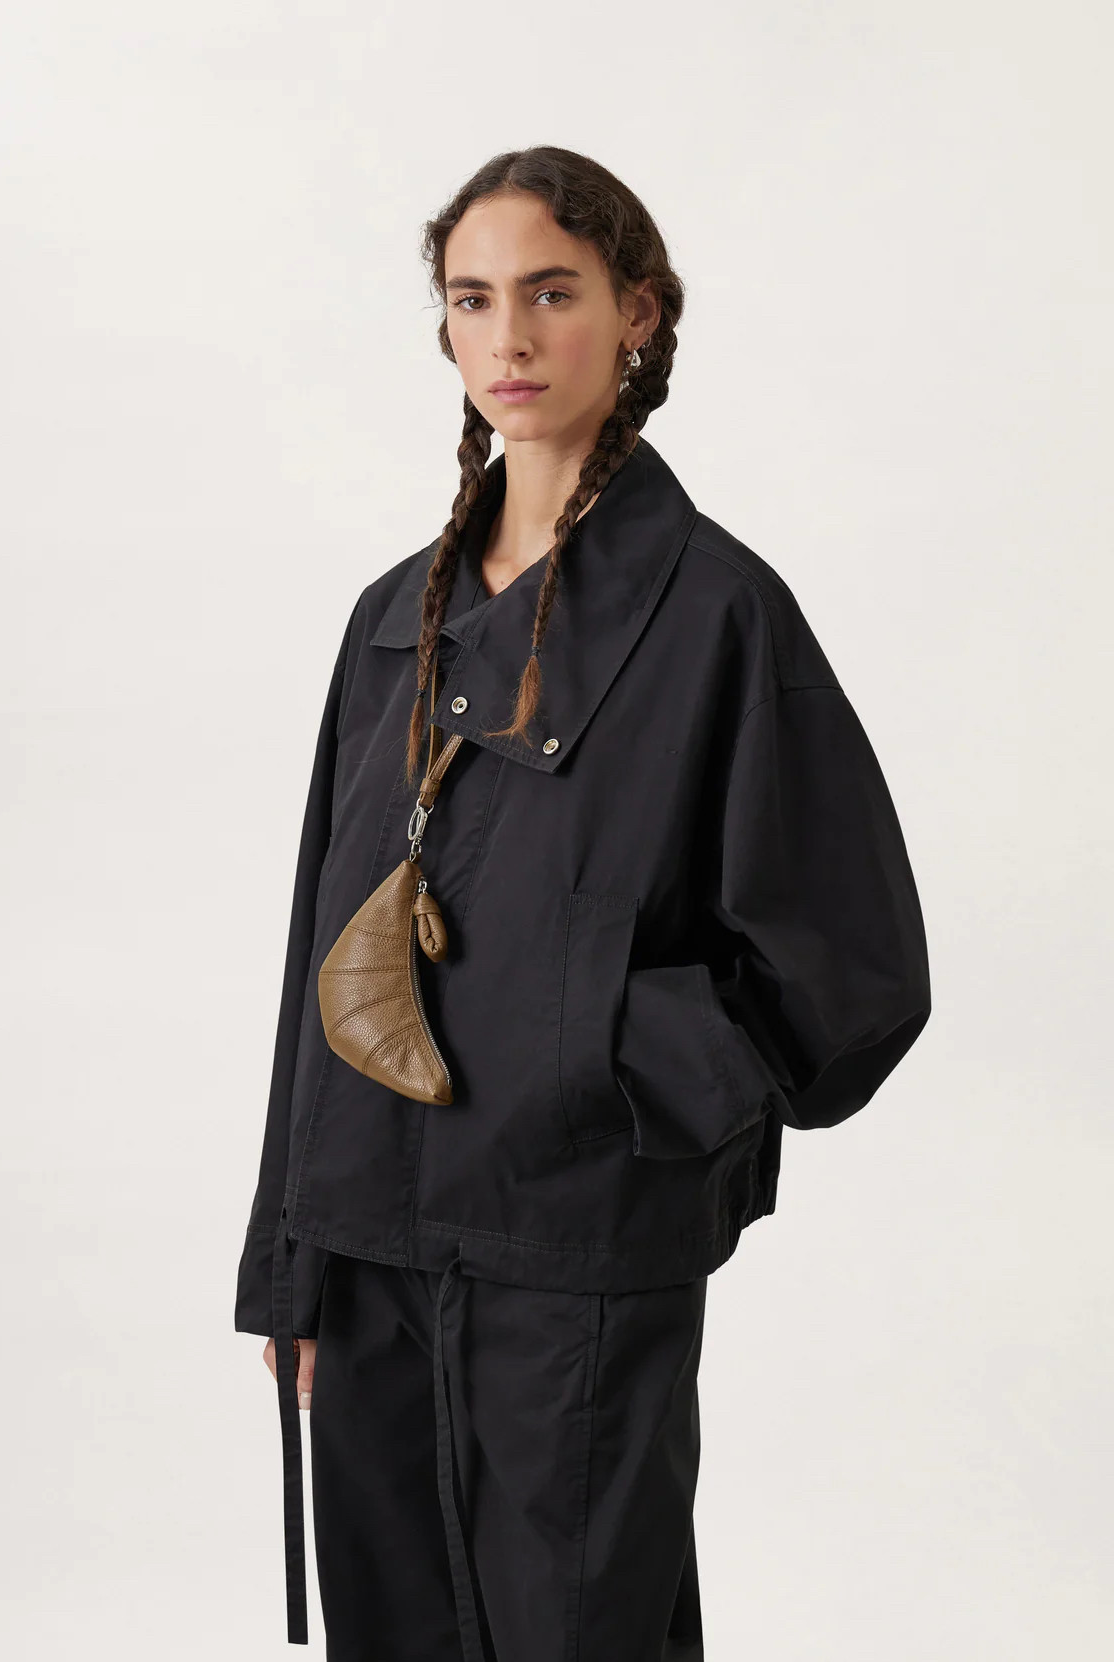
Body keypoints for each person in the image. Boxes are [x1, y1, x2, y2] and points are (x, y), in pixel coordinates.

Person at [234, 145, 932, 1659]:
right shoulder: (391, 620)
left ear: (639, 314)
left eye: (552, 293)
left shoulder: (720, 612)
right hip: (367, 1243)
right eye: (473, 299)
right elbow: (316, 949)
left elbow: (854, 968)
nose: (510, 337)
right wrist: (288, 1260)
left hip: (576, 1246)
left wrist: (612, 1073)